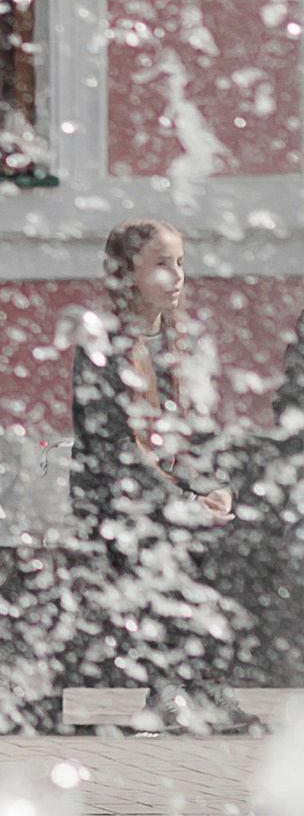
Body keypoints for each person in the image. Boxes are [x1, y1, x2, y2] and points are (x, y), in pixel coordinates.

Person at [71, 217, 259, 733]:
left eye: (180, 263)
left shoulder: (179, 339)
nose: (176, 276)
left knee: (230, 539)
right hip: (115, 496)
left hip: (170, 487)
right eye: (161, 264)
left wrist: (213, 487)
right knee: (161, 540)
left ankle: (207, 685)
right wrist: (180, 500)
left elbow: (191, 435)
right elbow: (113, 448)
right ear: (126, 273)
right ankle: (167, 690)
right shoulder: (101, 342)